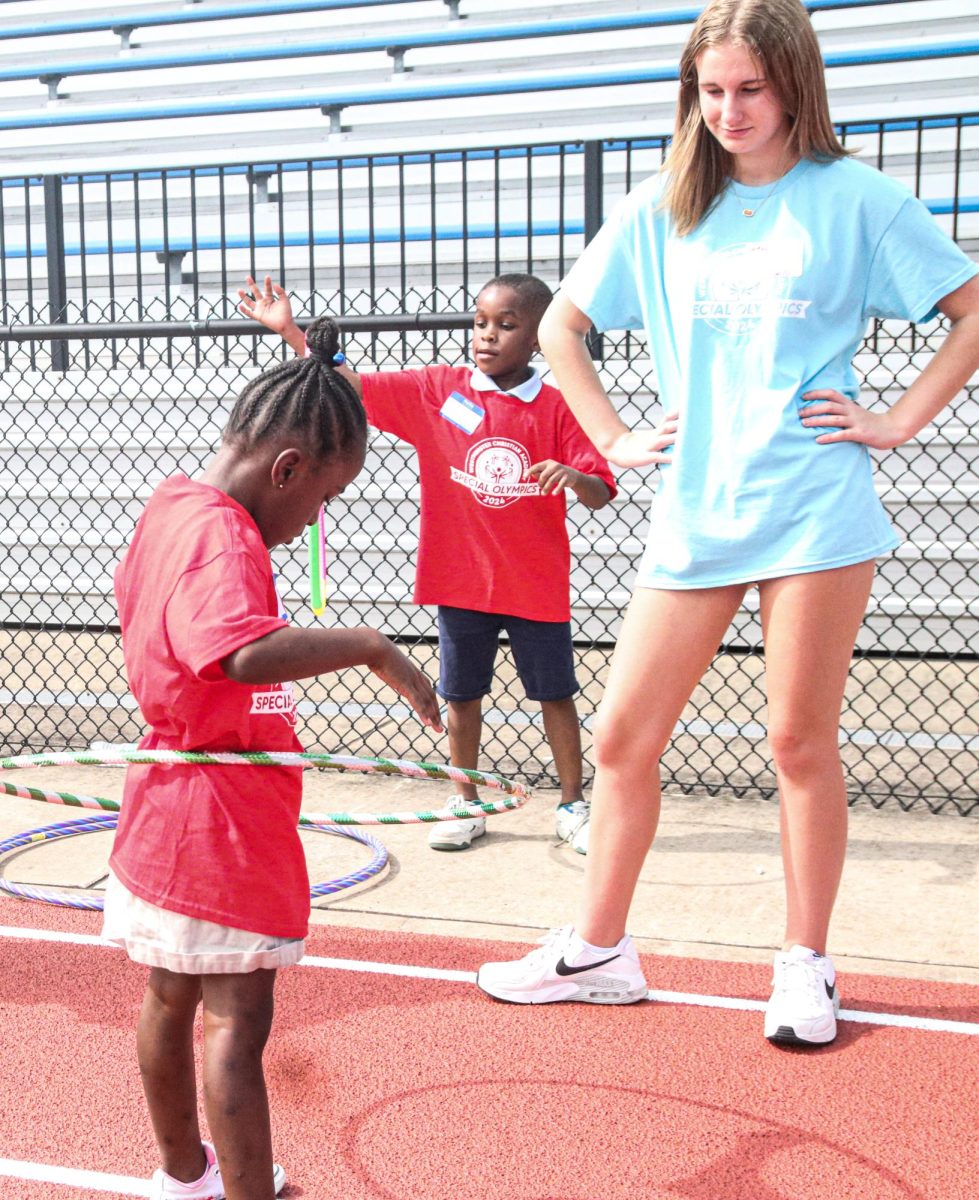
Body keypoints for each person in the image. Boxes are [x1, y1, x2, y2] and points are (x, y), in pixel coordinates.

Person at [476, 0, 979, 1045]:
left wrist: (894, 422)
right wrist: (610, 438)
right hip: (696, 514)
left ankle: (804, 967)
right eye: (711, 91)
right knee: (622, 738)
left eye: (749, 88)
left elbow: (969, 309)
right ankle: (600, 951)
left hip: (814, 510)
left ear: (792, 83)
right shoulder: (662, 206)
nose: (729, 109)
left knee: (797, 741)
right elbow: (564, 327)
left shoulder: (857, 200)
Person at [103, 318, 441, 1200]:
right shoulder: (224, 537)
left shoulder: (172, 505)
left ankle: (184, 1176)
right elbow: (237, 652)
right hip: (217, 813)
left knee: (173, 998)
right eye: (324, 498)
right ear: (287, 469)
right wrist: (373, 645)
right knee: (235, 1023)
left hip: (172, 796)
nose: (316, 519)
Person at [239, 272, 617, 855]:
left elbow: (602, 487)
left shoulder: (559, 407)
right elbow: (348, 384)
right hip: (460, 581)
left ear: (540, 337)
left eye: (506, 326)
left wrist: (576, 477)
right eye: (480, 322)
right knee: (461, 695)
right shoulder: (439, 389)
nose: (487, 336)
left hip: (535, 586)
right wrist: (290, 330)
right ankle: (465, 799)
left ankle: (572, 804)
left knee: (555, 694)